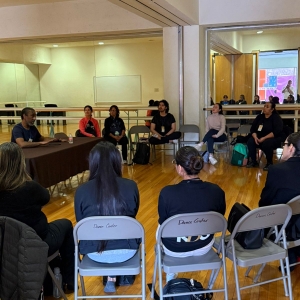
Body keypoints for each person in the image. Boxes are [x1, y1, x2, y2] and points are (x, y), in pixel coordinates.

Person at [0, 142, 74, 291]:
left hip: (4, 247)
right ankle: (68, 281)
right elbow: (45, 197)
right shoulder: (29, 187)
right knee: (66, 225)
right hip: (35, 243)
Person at [74, 141, 140, 293]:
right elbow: (132, 216)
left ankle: (110, 277)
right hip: (127, 251)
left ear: (93, 162)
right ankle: (113, 276)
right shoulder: (130, 186)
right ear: (117, 161)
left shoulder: (82, 191)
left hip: (94, 253)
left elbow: (81, 222)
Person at [158, 146, 226, 282]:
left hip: (174, 249)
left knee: (162, 226)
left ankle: (171, 274)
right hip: (204, 245)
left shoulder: (167, 193)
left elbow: (163, 222)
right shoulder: (216, 191)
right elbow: (218, 218)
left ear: (179, 168)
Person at [259, 132, 300, 268]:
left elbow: (265, 202)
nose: (283, 148)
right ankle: (293, 253)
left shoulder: (278, 170)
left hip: (281, 226)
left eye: (285, 145)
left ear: (292, 148)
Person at [246, 102, 285, 171]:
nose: (264, 108)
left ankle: (269, 163)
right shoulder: (259, 117)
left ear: (272, 109)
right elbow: (252, 129)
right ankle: (253, 161)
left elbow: (277, 131)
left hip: (273, 138)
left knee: (267, 143)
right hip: (259, 137)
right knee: (250, 141)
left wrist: (264, 138)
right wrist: (255, 137)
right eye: (264, 106)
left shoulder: (276, 118)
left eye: (267, 107)